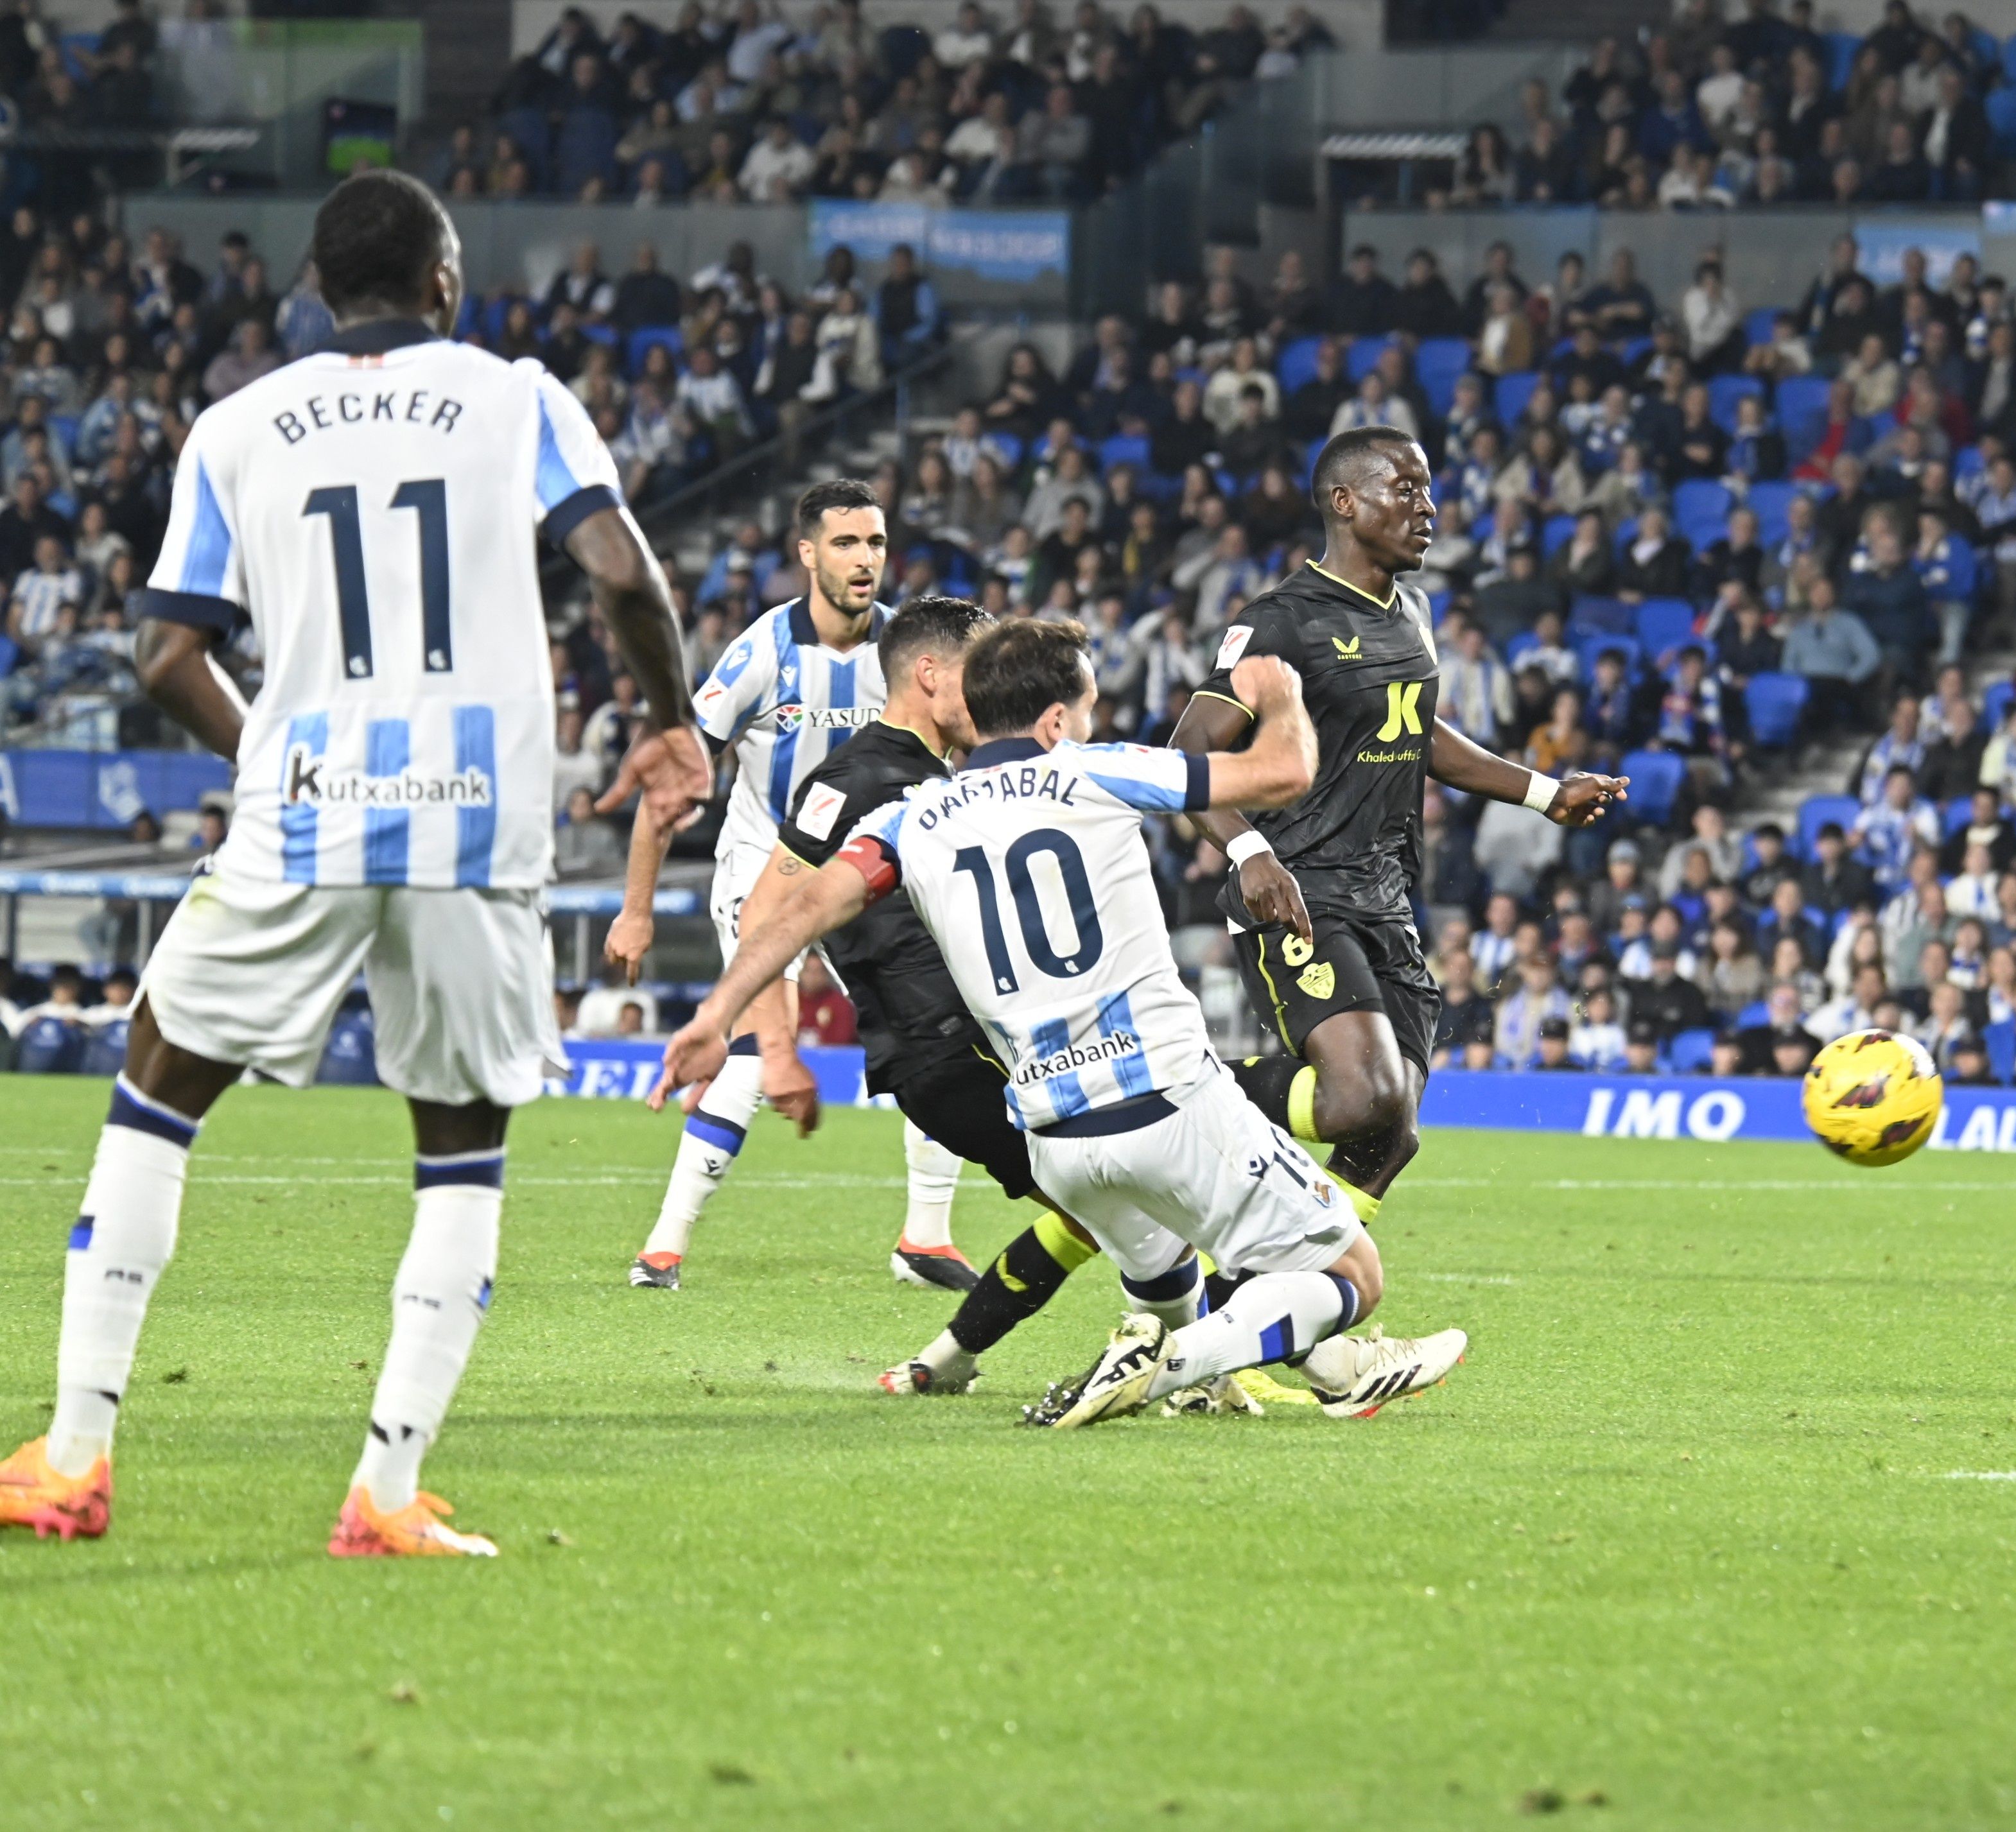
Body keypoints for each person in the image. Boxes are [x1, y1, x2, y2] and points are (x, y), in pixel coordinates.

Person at [0, 171, 709, 1555]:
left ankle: (73, 1456)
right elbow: (622, 574)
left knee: (155, 1092)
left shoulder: (236, 425)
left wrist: (273, 751)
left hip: (304, 810)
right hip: (474, 821)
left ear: (320, 291)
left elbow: (164, 653)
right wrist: (671, 723)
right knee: (460, 1150)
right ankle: (384, 1487)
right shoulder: (519, 399)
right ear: (446, 281)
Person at [652, 619, 1469, 1425]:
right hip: (1169, 1100)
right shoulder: (1093, 770)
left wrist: (717, 1016)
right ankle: (1164, 1368)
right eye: (1086, 708)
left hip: (1054, 1134)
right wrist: (1280, 695)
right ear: (1052, 722)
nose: (1089, 723)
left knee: (1163, 1271)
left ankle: (1230, 1363)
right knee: (1353, 1275)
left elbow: (795, 912)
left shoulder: (907, 819)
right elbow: (1283, 771)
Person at [1168, 426, 1624, 1230]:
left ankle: (1255, 1283)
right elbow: (1188, 750)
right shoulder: (1282, 622)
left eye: (1428, 490)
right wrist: (1248, 849)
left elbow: (1419, 730)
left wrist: (1546, 792)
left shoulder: (1412, 611)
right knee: (1360, 1098)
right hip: (1300, 889)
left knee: (1392, 1132)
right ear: (1345, 502)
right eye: (1406, 489)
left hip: (1385, 896)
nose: (1429, 508)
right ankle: (1177, 1096)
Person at [608, 479, 943, 1292]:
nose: (864, 560)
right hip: (767, 867)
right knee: (760, 1054)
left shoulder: (906, 652)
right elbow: (673, 780)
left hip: (869, 868)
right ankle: (663, 1247)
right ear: (806, 554)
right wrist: (636, 908)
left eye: (875, 542)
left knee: (940, 1038)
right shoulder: (762, 653)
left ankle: (926, 1239)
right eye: (845, 543)